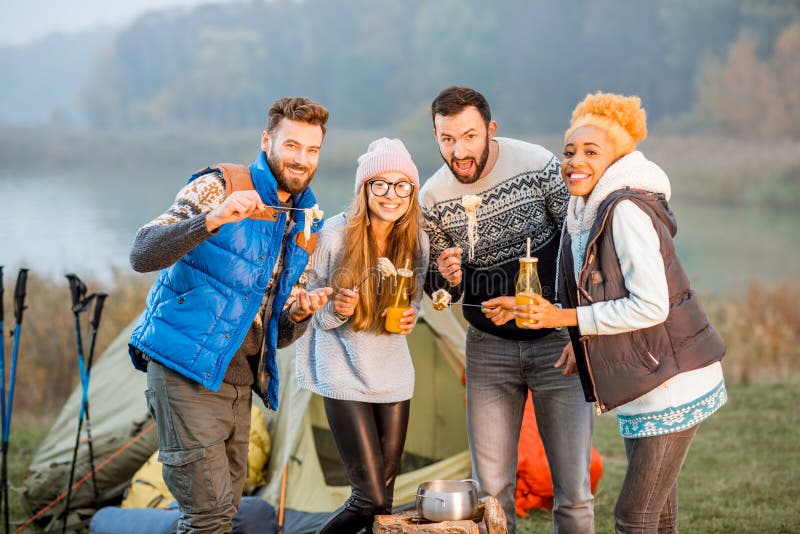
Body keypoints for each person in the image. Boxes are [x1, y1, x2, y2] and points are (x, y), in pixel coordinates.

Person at [496, 92, 727, 532]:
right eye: (569, 152)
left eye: (590, 151)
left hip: (671, 381)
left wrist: (564, 320)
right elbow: (589, 290)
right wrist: (576, 337)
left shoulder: (624, 210)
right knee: (658, 518)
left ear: (618, 158)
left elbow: (651, 305)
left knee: (633, 518)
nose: (574, 161)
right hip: (646, 377)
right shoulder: (584, 210)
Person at [127, 97, 333, 533]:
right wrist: (212, 219)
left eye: (312, 150)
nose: (301, 159)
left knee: (225, 511)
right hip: (185, 371)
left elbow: (274, 333)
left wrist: (299, 312)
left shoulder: (306, 218)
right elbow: (143, 252)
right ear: (266, 141)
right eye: (291, 145)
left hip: (240, 384)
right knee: (208, 517)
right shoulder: (219, 184)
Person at [419, 86, 595, 533]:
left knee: (573, 493)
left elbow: (579, 240)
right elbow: (439, 293)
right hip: (487, 350)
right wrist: (446, 276)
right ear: (435, 136)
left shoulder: (536, 165)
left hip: (556, 342)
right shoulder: (432, 198)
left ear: (490, 130)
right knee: (492, 492)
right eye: (446, 139)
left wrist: (557, 314)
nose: (458, 151)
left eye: (469, 136)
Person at [295, 138, 428, 533]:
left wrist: (411, 318)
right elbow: (307, 310)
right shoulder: (334, 235)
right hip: (343, 373)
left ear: (412, 191)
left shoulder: (415, 240)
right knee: (368, 498)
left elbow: (416, 300)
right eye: (380, 184)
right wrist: (336, 310)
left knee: (383, 503)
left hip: (393, 376)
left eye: (401, 185)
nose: (391, 195)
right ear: (364, 189)